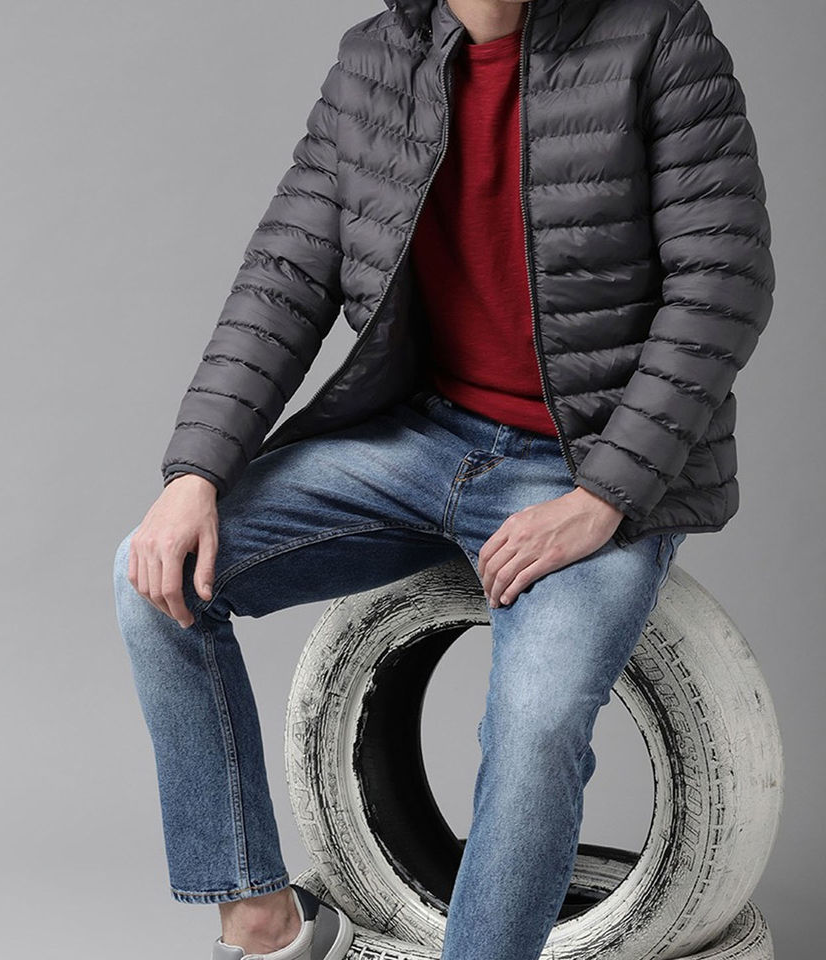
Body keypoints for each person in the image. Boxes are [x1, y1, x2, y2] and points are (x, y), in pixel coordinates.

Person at [113, 0, 774, 957]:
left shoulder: (659, 35)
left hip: (585, 466)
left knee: (537, 725)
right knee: (153, 576)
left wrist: (603, 498)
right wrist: (196, 470)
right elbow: (282, 279)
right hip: (423, 440)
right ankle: (261, 921)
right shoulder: (375, 61)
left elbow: (722, 282)